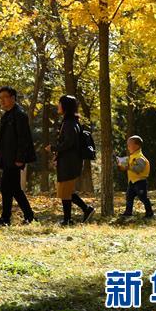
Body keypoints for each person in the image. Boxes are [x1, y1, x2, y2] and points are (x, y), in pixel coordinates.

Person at [0, 86, 36, 226]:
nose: (1, 101)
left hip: (15, 160)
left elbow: (24, 139)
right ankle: (26, 216)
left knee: (6, 188)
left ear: (13, 98)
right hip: (6, 158)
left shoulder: (20, 115)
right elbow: (0, 139)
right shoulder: (6, 116)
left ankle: (7, 218)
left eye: (4, 97)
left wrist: (21, 158)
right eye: (0, 98)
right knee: (13, 189)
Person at [47, 95, 95, 225]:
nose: (58, 106)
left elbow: (69, 143)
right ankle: (79, 213)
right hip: (68, 161)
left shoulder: (70, 123)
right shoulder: (70, 122)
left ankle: (72, 217)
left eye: (60, 103)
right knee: (66, 191)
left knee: (64, 191)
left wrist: (53, 148)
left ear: (65, 106)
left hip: (69, 162)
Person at [118, 135, 154, 219]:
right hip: (132, 181)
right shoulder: (132, 156)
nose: (128, 147)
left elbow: (139, 169)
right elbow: (128, 167)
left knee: (143, 197)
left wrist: (128, 167)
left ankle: (149, 213)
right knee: (129, 197)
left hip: (140, 181)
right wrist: (122, 164)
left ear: (137, 146)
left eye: (129, 144)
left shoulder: (140, 157)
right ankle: (128, 212)